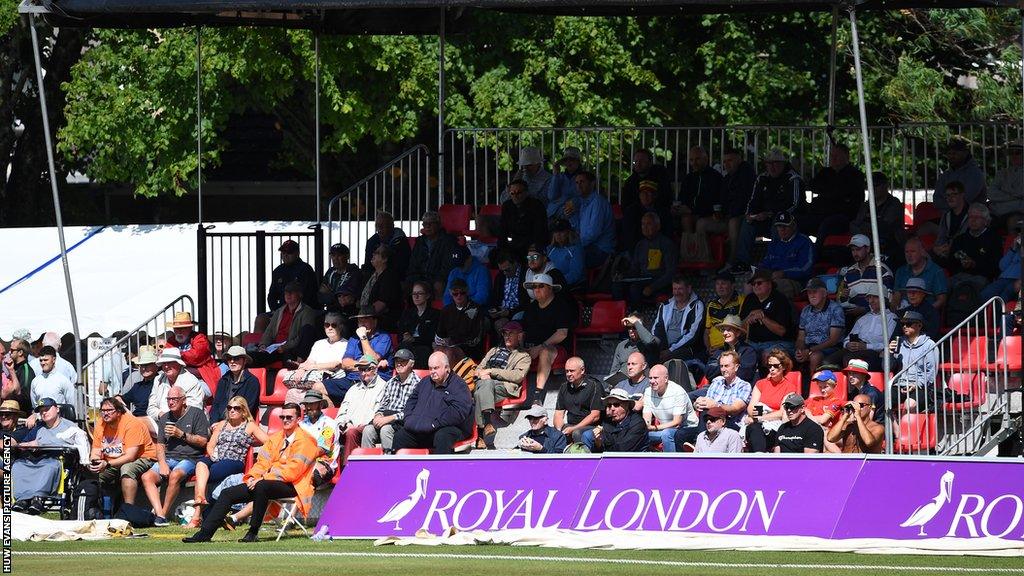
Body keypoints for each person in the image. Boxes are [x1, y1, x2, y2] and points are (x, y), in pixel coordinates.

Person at [183, 403, 319, 543]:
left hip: (293, 485)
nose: (285, 420)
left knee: (262, 487)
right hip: (267, 482)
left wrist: (263, 478)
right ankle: (204, 534)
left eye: (289, 417)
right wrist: (253, 477)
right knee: (227, 493)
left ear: (298, 419)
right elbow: (261, 462)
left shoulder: (305, 441)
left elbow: (292, 472)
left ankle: (252, 532)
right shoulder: (276, 438)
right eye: (282, 416)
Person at [190, 395, 266, 527]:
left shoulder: (249, 426)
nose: (232, 410)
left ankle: (196, 517)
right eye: (229, 407)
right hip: (217, 458)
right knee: (201, 463)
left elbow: (269, 442)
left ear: (243, 411)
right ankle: (201, 496)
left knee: (205, 475)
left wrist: (256, 445)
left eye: (236, 408)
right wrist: (212, 453)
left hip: (233, 461)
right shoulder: (221, 424)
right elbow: (211, 444)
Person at [140, 385, 211, 526]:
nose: (171, 402)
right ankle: (160, 514)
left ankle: (163, 514)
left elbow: (203, 442)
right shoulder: (165, 417)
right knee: (146, 477)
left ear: (184, 400)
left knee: (175, 474)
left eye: (174, 399)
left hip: (190, 458)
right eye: (168, 399)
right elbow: (160, 445)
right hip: (169, 458)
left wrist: (181, 435)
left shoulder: (196, 414)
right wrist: (162, 464)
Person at [730, 148, 804, 272]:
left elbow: (795, 204)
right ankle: (742, 262)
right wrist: (750, 215)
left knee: (778, 224)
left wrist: (772, 214)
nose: (771, 167)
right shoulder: (762, 178)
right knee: (747, 223)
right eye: (768, 163)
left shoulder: (793, 178)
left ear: (783, 164)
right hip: (764, 219)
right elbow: (752, 201)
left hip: (788, 219)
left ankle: (776, 261)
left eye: (775, 163)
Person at [11, 398, 90, 513]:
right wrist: (26, 444)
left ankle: (38, 498)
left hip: (57, 460)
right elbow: (27, 442)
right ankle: (22, 499)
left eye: (47, 409)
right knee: (18, 465)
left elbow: (80, 443)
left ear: (57, 409)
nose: (44, 412)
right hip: (37, 459)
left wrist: (40, 443)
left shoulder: (70, 427)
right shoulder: (39, 428)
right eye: (41, 411)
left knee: (49, 467)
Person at [391, 352, 473, 454]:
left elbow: (458, 411)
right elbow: (411, 401)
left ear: (447, 368)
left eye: (436, 368)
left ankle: (440, 469)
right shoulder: (425, 382)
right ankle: (400, 469)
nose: (432, 372)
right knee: (400, 436)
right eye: (430, 368)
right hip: (422, 429)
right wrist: (409, 420)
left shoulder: (459, 385)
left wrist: (435, 423)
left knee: (443, 436)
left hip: (448, 428)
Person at [89, 397, 157, 508]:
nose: (105, 414)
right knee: (98, 474)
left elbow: (130, 456)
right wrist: (95, 462)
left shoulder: (132, 423)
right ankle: (104, 510)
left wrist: (107, 464)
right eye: (103, 411)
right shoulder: (100, 424)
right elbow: (96, 450)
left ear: (119, 412)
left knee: (127, 469)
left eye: (109, 410)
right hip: (114, 460)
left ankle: (128, 510)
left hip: (144, 457)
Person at [473, 322, 531, 448]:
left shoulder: (524, 356)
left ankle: (481, 434)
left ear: (520, 336)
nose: (507, 336)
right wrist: (482, 374)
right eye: (505, 333)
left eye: (511, 333)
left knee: (479, 393)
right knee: (483, 387)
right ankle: (487, 425)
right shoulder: (493, 351)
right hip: (485, 384)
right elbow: (478, 369)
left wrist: (491, 371)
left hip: (504, 386)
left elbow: (517, 376)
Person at [522, 273, 574, 400]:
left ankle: (537, 396)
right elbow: (523, 330)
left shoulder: (561, 306)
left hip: (557, 349)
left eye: (541, 286)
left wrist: (539, 348)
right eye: (534, 287)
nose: (536, 289)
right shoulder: (531, 307)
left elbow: (562, 333)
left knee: (545, 352)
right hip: (531, 347)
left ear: (550, 288)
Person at [698, 147, 755, 262]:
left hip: (744, 218)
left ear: (739, 159)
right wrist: (718, 213)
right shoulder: (727, 179)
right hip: (728, 218)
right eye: (724, 161)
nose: (726, 164)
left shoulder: (747, 174)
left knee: (733, 222)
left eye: (730, 160)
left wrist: (729, 214)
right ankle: (706, 261)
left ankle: (733, 261)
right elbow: (721, 202)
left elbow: (745, 200)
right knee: (701, 223)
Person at [802, 142, 866, 243]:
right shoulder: (825, 172)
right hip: (821, 213)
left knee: (826, 226)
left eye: (837, 156)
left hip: (842, 216)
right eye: (832, 155)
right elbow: (813, 186)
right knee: (799, 222)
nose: (833, 158)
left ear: (846, 157)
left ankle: (816, 255)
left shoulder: (855, 175)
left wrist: (830, 192)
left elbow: (850, 198)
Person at [279, 313, 347, 405]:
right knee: (292, 393)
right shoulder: (319, 343)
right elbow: (310, 360)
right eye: (327, 325)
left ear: (341, 327)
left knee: (310, 395)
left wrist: (311, 367)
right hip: (312, 379)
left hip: (330, 381)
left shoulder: (346, 344)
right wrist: (302, 369)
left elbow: (335, 364)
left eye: (334, 325)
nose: (330, 328)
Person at [939, 203, 1004, 295]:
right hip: (959, 275)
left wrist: (974, 265)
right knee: (941, 287)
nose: (973, 220)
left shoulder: (994, 239)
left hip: (982, 278)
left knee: (967, 289)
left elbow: (996, 267)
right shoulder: (959, 239)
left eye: (977, 217)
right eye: (970, 217)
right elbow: (950, 263)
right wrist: (960, 264)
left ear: (986, 221)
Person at [362, 349, 419, 453]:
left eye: (403, 361)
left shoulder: (418, 384)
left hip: (403, 421)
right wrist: (378, 415)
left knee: (386, 430)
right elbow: (383, 405)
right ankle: (367, 465)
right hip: (386, 417)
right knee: (367, 430)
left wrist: (389, 418)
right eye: (397, 361)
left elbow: (413, 412)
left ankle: (390, 464)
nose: (399, 364)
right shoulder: (390, 382)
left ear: (412, 363)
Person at [744, 348, 800, 452]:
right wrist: (757, 416)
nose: (772, 369)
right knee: (755, 428)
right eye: (769, 366)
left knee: (757, 429)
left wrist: (761, 418)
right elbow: (752, 407)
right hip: (757, 423)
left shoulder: (789, 387)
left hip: (775, 425)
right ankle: (760, 456)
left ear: (783, 366)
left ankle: (759, 456)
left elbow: (783, 412)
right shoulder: (761, 384)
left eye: (775, 366)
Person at [614, 212, 678, 302]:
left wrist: (652, 287)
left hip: (659, 281)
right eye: (643, 224)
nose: (645, 227)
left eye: (649, 224)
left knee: (635, 289)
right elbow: (635, 269)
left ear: (658, 226)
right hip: (643, 279)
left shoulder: (666, 244)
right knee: (618, 285)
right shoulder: (640, 245)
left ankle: (637, 314)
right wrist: (623, 275)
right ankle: (620, 314)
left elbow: (670, 273)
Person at [825, 292, 897, 372]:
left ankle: (852, 384)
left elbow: (888, 344)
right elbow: (847, 338)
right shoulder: (863, 318)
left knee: (849, 359)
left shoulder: (891, 318)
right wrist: (848, 344)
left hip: (875, 352)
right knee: (827, 362)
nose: (871, 301)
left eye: (875, 297)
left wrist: (866, 346)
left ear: (884, 300)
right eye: (869, 298)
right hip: (855, 348)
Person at [253, 281, 318, 366]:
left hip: (291, 349)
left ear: (300, 295)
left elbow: (303, 336)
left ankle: (296, 365)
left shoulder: (307, 312)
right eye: (286, 292)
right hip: (275, 348)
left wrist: (286, 347)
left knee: (288, 359)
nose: (288, 294)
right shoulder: (279, 311)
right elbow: (269, 332)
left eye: (292, 292)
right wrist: (263, 345)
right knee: (253, 357)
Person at [849, 172, 907, 265]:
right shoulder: (865, 205)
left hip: (889, 245)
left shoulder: (894, 204)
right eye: (870, 186)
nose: (873, 189)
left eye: (876, 185)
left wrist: (866, 227)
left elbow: (885, 226)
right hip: (866, 243)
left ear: (885, 186)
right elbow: (854, 225)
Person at [889, 310, 940, 414]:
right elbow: (889, 368)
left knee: (910, 405)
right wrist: (889, 353)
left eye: (908, 324)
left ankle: (906, 429)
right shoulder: (900, 343)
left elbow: (931, 373)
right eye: (902, 324)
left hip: (920, 387)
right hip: (899, 384)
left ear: (919, 326)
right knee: (881, 401)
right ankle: (898, 430)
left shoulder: (929, 345)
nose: (904, 327)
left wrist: (916, 384)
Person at [335, 358, 383, 467]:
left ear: (375, 369)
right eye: (360, 369)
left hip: (369, 427)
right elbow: (342, 411)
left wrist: (356, 426)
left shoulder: (383, 387)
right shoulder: (353, 389)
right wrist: (343, 423)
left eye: (367, 369)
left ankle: (347, 471)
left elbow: (379, 412)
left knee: (352, 432)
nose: (363, 373)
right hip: (349, 427)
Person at [690, 350, 752, 435]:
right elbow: (708, 401)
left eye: (726, 366)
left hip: (731, 423)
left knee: (707, 412)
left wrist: (716, 405)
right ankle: (700, 440)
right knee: (679, 435)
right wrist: (698, 404)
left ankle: (700, 443)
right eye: (721, 366)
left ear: (736, 367)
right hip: (711, 422)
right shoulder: (717, 381)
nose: (723, 369)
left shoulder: (744, 386)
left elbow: (735, 409)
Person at [757, 212, 815, 299]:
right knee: (750, 285)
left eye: (786, 226)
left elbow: (806, 268)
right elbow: (766, 263)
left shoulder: (804, 241)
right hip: (772, 279)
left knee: (773, 287)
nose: (782, 229)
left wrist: (784, 273)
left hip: (795, 282)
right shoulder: (774, 243)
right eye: (779, 226)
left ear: (793, 226)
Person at [739, 269, 797, 358]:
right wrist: (749, 317)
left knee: (768, 355)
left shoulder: (780, 299)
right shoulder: (749, 299)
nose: (755, 286)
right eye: (753, 284)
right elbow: (740, 329)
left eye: (759, 283)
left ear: (769, 284)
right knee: (738, 356)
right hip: (753, 344)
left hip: (778, 343)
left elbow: (782, 331)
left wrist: (762, 317)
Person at [794, 277, 846, 374]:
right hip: (809, 347)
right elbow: (801, 337)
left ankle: (812, 387)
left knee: (815, 356)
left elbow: (833, 340)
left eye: (815, 292)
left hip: (830, 348)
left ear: (825, 293)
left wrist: (809, 351)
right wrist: (800, 350)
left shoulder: (835, 309)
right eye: (809, 292)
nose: (812, 295)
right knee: (783, 355)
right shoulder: (806, 310)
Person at [148, 348, 206, 433]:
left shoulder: (191, 380)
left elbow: (194, 410)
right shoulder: (158, 379)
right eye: (164, 363)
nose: (166, 366)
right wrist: (161, 415)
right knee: (140, 423)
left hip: (187, 427)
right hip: (161, 422)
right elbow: (151, 408)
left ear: (179, 364)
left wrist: (170, 419)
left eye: (170, 363)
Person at [650, 275, 705, 363]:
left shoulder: (697, 305)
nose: (677, 292)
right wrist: (658, 347)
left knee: (666, 359)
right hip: (666, 347)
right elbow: (657, 328)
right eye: (675, 289)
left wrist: (670, 350)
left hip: (687, 348)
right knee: (647, 354)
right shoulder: (665, 305)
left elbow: (692, 334)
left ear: (689, 289)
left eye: (680, 289)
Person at [643, 364, 697, 452]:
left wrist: (655, 428)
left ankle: (670, 463)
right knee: (638, 435)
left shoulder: (677, 391)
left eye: (655, 378)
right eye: (650, 378)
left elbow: (677, 422)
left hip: (687, 428)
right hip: (663, 429)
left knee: (667, 434)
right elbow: (646, 418)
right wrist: (646, 426)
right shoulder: (648, 392)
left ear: (666, 379)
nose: (652, 381)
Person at [837, 234, 894, 317]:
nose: (855, 253)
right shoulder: (849, 273)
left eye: (858, 249)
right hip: (855, 318)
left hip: (879, 317)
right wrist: (843, 297)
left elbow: (889, 299)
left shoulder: (882, 270)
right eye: (853, 250)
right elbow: (845, 301)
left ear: (867, 249)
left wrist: (865, 309)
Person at [568, 170, 615, 268]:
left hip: (600, 250)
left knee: (568, 259)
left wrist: (576, 246)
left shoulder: (598, 202)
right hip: (588, 247)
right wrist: (571, 215)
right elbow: (578, 230)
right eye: (577, 183)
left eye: (582, 182)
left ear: (592, 184)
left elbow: (594, 233)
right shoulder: (583, 203)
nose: (579, 186)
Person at [407, 211, 459, 298]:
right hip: (420, 277)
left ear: (438, 225)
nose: (427, 226)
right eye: (425, 224)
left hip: (437, 278)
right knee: (406, 284)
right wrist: (415, 277)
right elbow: (413, 263)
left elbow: (448, 266)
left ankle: (439, 310)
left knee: (438, 285)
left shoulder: (448, 241)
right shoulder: (419, 241)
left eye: (431, 223)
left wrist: (437, 278)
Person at [434, 278, 485, 363]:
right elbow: (440, 334)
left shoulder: (476, 309)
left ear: (467, 292)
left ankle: (449, 376)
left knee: (449, 352)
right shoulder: (446, 310)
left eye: (462, 293)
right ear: (450, 293)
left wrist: (454, 343)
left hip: (470, 349)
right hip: (449, 346)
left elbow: (476, 339)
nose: (459, 296)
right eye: (455, 293)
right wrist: (442, 341)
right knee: (437, 351)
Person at [891, 237, 949, 313]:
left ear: (922, 252)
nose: (909, 255)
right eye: (907, 252)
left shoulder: (936, 271)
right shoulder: (901, 271)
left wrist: (925, 312)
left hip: (927, 315)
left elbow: (942, 300)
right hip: (904, 314)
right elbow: (896, 296)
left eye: (913, 251)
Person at [581, 388, 648, 453]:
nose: (612, 408)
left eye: (616, 405)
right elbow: (603, 449)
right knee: (587, 434)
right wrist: (598, 443)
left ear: (627, 405)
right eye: (609, 405)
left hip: (635, 459)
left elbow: (623, 450)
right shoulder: (608, 421)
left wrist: (603, 448)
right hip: (613, 457)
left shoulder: (637, 423)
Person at [553, 357, 603, 443]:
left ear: (582, 370)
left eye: (572, 371)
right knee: (552, 433)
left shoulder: (594, 385)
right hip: (570, 425)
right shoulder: (564, 387)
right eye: (566, 371)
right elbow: (558, 414)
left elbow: (595, 416)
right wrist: (559, 430)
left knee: (577, 433)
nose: (568, 374)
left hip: (591, 426)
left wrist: (573, 429)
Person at [166, 311, 221, 389]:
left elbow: (195, 356)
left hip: (202, 378)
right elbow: (166, 356)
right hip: (177, 378)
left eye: (183, 328)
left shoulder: (200, 338)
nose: (179, 331)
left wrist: (176, 356)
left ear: (190, 328)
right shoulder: (171, 341)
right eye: (177, 329)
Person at [675, 145, 724, 233]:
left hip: (708, 215)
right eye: (691, 160)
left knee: (693, 221)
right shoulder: (688, 178)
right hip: (690, 214)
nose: (694, 163)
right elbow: (682, 199)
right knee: (684, 218)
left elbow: (715, 202)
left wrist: (691, 210)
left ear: (706, 159)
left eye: (697, 159)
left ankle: (696, 246)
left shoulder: (715, 178)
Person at [933, 138, 987, 212]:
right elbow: (937, 199)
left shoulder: (975, 173)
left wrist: (948, 206)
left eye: (955, 153)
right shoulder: (946, 175)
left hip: (971, 214)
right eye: (949, 154)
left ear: (965, 153)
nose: (951, 157)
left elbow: (966, 198)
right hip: (947, 213)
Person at [209, 346, 259, 424]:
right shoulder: (223, 380)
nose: (232, 361)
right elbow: (216, 404)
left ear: (244, 361)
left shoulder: (252, 382)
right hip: (219, 423)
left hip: (240, 424)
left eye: (236, 358)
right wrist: (213, 423)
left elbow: (248, 409)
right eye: (229, 358)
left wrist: (226, 425)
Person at [299, 390, 341, 483]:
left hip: (324, 463)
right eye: (306, 404)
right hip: (303, 461)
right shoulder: (301, 425)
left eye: (312, 404)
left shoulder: (329, 424)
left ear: (321, 405)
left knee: (310, 475)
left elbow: (322, 448)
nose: (308, 407)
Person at [359, 245, 404, 332]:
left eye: (377, 253)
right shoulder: (371, 275)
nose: (373, 254)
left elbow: (382, 304)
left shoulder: (390, 277)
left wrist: (363, 316)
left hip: (382, 318)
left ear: (385, 259)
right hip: (366, 315)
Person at [501, 179, 549, 259]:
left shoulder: (536, 205)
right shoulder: (507, 206)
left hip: (531, 244)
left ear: (526, 192)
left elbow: (540, 229)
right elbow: (503, 228)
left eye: (519, 193)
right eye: (512, 193)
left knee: (532, 256)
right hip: (513, 243)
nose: (515, 196)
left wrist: (535, 244)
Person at [606, 315, 660, 386]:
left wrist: (636, 322)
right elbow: (614, 371)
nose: (631, 330)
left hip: (644, 385)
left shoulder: (653, 342)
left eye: (634, 327)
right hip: (623, 385)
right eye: (629, 327)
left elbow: (649, 342)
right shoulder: (622, 345)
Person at [702, 315, 757, 384]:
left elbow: (745, 374)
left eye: (729, 330)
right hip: (717, 387)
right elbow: (708, 372)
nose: (724, 333)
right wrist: (729, 368)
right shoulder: (719, 351)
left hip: (738, 390)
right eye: (723, 330)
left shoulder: (748, 351)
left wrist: (721, 368)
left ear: (738, 333)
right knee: (692, 395)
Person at [397, 281, 439, 369]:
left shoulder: (435, 314)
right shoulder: (407, 314)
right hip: (407, 346)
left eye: (420, 293)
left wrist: (414, 339)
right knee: (403, 347)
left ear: (427, 296)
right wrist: (405, 337)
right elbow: (400, 333)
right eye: (414, 294)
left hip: (425, 347)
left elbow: (432, 337)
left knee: (422, 351)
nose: (416, 296)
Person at [268, 239, 318, 310]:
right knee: (261, 319)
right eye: (283, 252)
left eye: (289, 252)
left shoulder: (305, 269)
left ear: (297, 253)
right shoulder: (278, 271)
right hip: (282, 310)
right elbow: (272, 296)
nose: (285, 255)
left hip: (303, 310)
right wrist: (276, 310)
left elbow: (308, 296)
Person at [488, 251, 529, 334]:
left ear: (515, 263)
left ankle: (504, 346)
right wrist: (494, 310)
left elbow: (527, 302)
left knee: (501, 325)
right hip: (501, 311)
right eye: (502, 270)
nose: (505, 273)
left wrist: (510, 313)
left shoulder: (526, 275)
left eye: (507, 270)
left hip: (518, 312)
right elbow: (495, 298)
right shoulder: (500, 277)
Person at [621, 179, 669, 250]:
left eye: (648, 193)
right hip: (636, 249)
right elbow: (629, 236)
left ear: (655, 195)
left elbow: (667, 234)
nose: (645, 196)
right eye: (642, 193)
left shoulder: (663, 212)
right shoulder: (631, 211)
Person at [362, 210, 411, 279]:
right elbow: (368, 264)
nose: (379, 229)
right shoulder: (372, 241)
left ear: (391, 226)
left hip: (396, 277)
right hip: (375, 276)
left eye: (382, 226)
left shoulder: (400, 241)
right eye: (377, 226)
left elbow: (404, 265)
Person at [704, 272, 745, 353]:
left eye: (723, 283)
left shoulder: (741, 301)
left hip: (732, 348)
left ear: (733, 286)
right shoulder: (711, 305)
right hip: (713, 350)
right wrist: (708, 348)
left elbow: (744, 326)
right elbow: (707, 331)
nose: (720, 287)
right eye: (717, 284)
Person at [621, 148, 672, 212]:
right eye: (635, 162)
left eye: (642, 161)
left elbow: (666, 197)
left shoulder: (660, 175)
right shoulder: (630, 182)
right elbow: (625, 203)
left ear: (650, 163)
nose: (638, 164)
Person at [988, 140, 1024, 228]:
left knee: (1013, 222)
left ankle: (1013, 242)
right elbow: (990, 194)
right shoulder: (1002, 173)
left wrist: (1002, 194)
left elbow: (1021, 192)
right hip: (997, 211)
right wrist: (1014, 196)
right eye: (1011, 153)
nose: (1014, 156)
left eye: (1018, 153)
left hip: (1017, 212)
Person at [932, 181, 971, 258]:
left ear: (962, 195)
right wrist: (937, 248)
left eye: (954, 194)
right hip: (948, 251)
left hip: (966, 252)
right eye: (948, 195)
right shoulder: (946, 215)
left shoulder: (972, 213)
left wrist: (951, 247)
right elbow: (941, 237)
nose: (950, 198)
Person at [118, 346, 159, 418]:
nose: (144, 368)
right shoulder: (137, 386)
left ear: (156, 365)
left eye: (147, 365)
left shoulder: (161, 383)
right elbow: (123, 399)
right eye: (141, 365)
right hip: (137, 421)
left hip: (153, 421)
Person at [319, 243, 361, 312]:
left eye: (339, 255)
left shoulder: (354, 272)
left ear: (347, 256)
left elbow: (347, 300)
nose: (335, 258)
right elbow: (321, 296)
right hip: (331, 312)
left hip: (348, 312)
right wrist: (336, 296)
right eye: (333, 255)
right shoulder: (330, 272)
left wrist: (330, 294)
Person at [546, 146, 584, 221]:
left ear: (578, 162)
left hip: (574, 213)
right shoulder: (559, 177)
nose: (569, 162)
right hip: (554, 212)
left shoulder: (584, 178)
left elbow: (587, 196)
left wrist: (574, 202)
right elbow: (551, 196)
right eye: (566, 160)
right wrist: (556, 174)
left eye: (572, 159)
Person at [979, 235, 1021, 303]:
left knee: (1002, 298)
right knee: (985, 294)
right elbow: (1002, 266)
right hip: (1003, 279)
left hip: (1017, 280)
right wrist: (1013, 249)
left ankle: (997, 313)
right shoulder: (1016, 249)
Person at [546, 220, 585, 289]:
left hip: (569, 286)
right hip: (549, 285)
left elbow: (575, 274)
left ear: (568, 232)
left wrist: (556, 282)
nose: (558, 234)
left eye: (561, 231)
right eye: (555, 232)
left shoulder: (575, 249)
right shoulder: (550, 249)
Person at [842, 359, 884, 425]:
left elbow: (868, 420)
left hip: (875, 428)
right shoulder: (854, 392)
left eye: (854, 373)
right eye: (849, 373)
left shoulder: (871, 393)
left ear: (864, 375)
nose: (851, 376)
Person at [4, 339, 34, 414]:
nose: (9, 352)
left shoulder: (26, 370)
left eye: (12, 350)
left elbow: (25, 397)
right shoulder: (14, 368)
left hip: (20, 415)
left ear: (20, 352)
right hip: (11, 412)